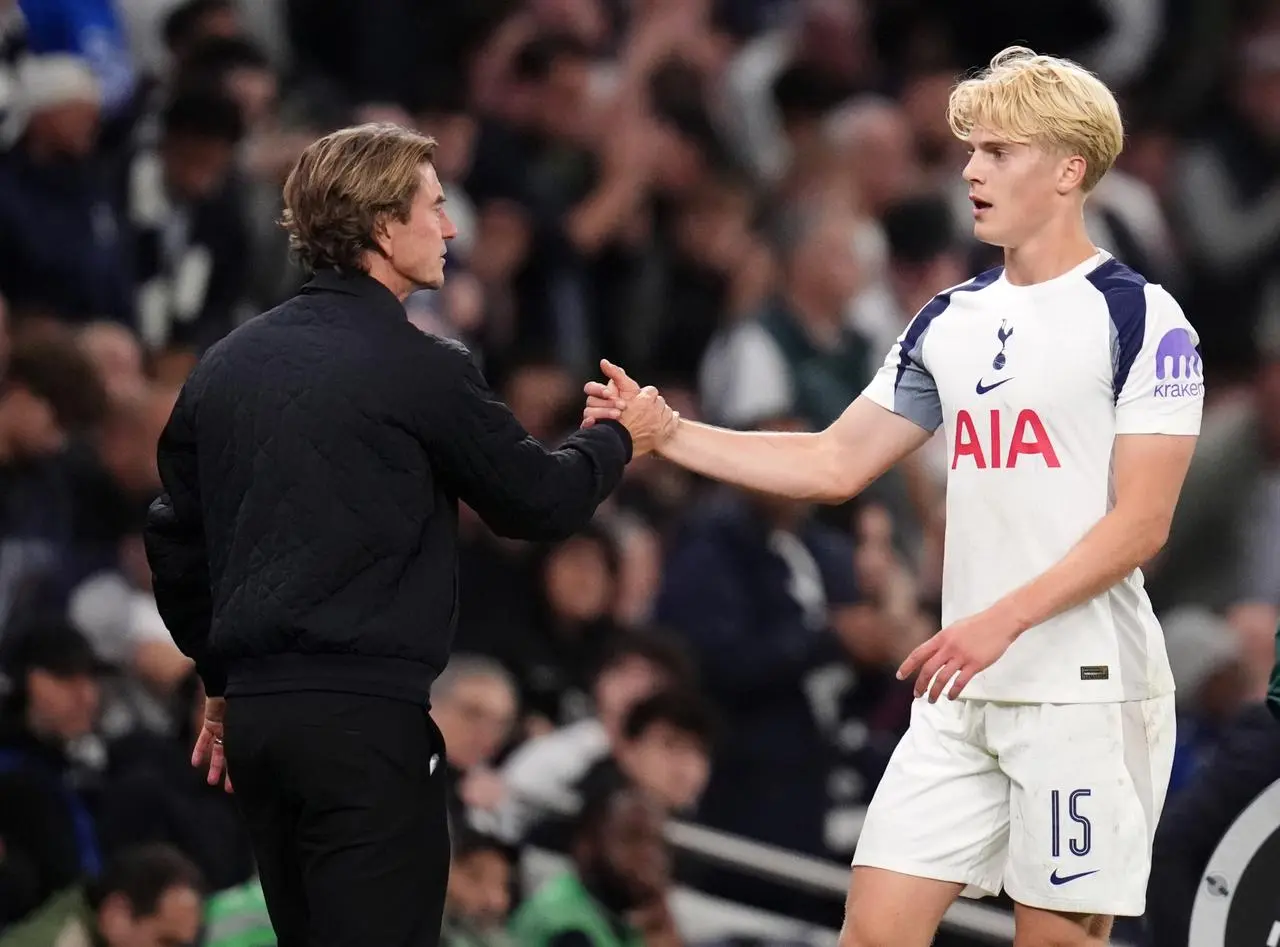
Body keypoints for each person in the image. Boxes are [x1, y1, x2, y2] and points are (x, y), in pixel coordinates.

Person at [584, 47, 1202, 947]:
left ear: (1070, 169)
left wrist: (1003, 619)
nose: (969, 170)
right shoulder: (947, 319)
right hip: (962, 693)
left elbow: (1144, 523)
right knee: (871, 930)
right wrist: (672, 433)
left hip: (1083, 692)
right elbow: (835, 461)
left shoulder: (1143, 319)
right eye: (970, 150)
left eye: (998, 151)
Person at [143, 122, 676, 947]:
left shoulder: (225, 365)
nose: (452, 227)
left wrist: (220, 676)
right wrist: (619, 437)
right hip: (365, 724)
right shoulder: (422, 364)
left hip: (259, 724)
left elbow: (174, 537)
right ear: (385, 228)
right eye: (434, 206)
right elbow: (537, 503)